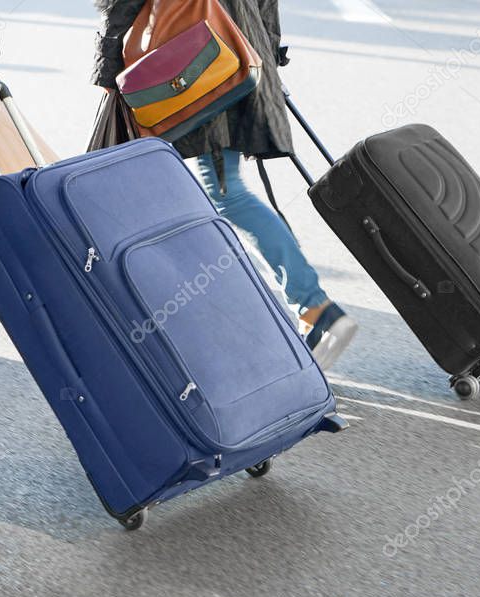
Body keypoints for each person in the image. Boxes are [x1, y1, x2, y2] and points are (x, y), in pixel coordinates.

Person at [93, 0, 358, 370]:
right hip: (235, 53)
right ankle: (298, 311)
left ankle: (313, 307)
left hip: (195, 60)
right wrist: (267, 57)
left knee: (224, 195)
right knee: (220, 193)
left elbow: (121, 5)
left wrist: (108, 69)